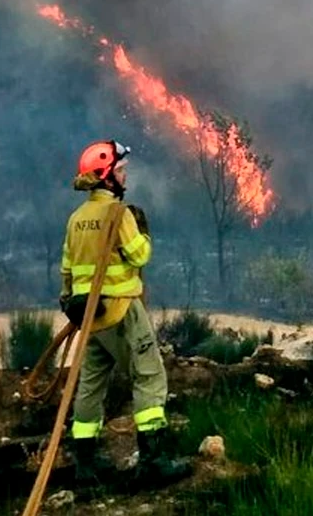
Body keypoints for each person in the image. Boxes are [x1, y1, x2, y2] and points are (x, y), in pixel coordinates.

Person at [58, 139, 188, 485]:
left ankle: (85, 465)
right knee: (150, 376)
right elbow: (140, 255)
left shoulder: (76, 219)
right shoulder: (119, 214)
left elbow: (67, 270)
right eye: (120, 170)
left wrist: (70, 302)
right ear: (106, 176)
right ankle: (153, 461)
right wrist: (143, 232)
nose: (125, 175)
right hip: (121, 310)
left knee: (90, 385)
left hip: (90, 318)